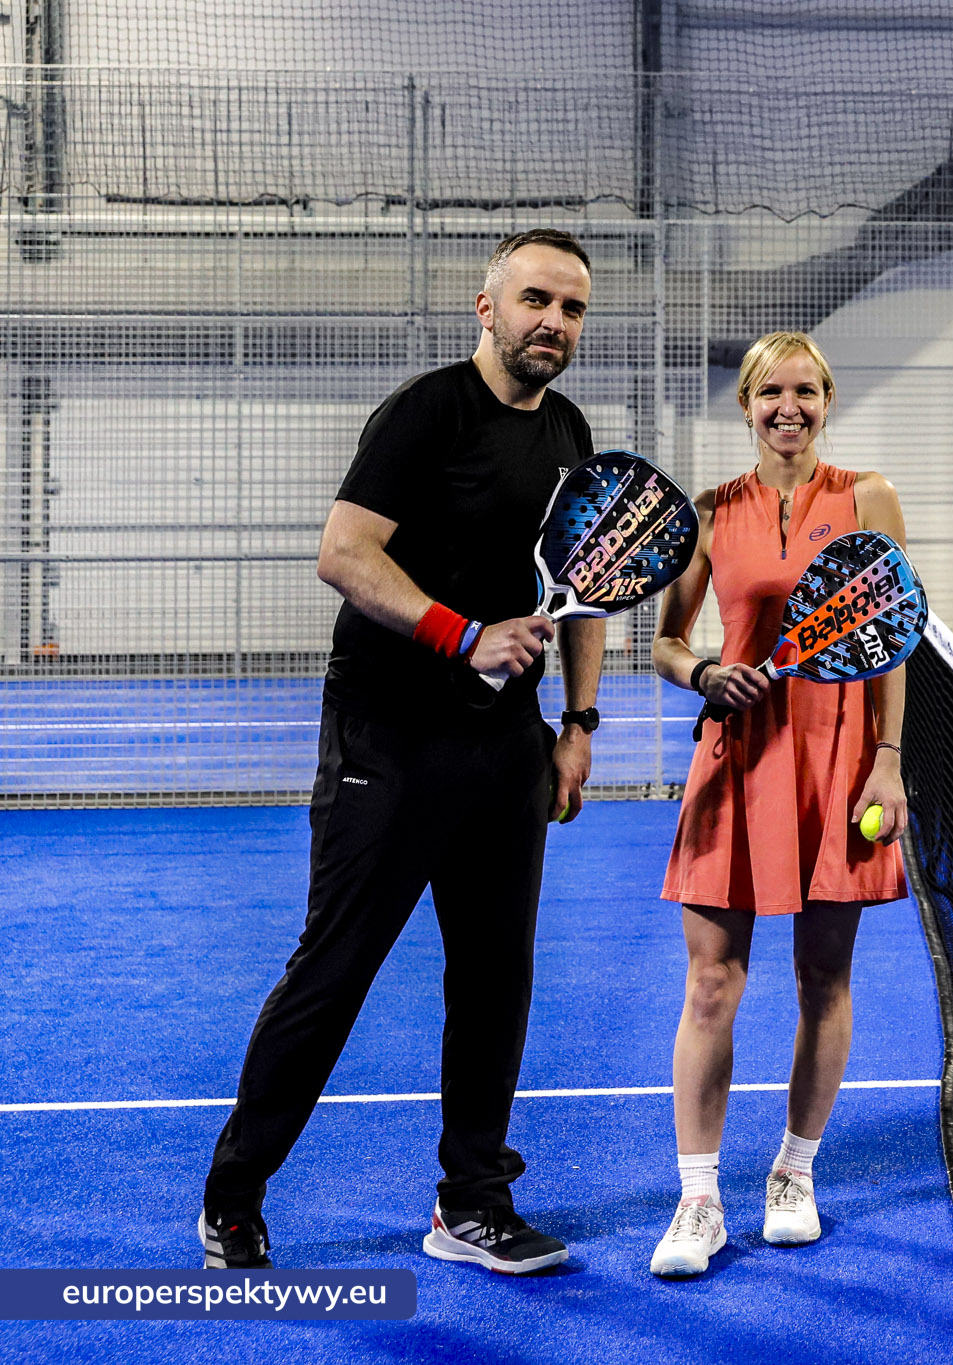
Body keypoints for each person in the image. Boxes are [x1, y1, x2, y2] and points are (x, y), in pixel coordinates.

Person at [200, 229, 605, 1274]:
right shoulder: (424, 412)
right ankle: (234, 1195)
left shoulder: (570, 432)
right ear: (487, 307)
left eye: (570, 308)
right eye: (535, 300)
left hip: (505, 754)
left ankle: (472, 1203)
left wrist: (577, 725)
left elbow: (590, 585)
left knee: (494, 981)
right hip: (387, 743)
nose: (552, 322)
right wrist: (462, 634)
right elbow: (344, 553)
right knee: (332, 973)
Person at [645, 331, 909, 1278]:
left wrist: (887, 760)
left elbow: (892, 637)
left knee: (822, 980)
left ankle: (794, 1172)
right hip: (737, 755)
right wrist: (709, 672)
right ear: (747, 404)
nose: (786, 407)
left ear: (828, 400)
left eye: (804, 391)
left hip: (838, 766)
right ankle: (700, 1196)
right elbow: (667, 642)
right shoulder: (711, 512)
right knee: (711, 983)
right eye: (769, 392)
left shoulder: (869, 497)